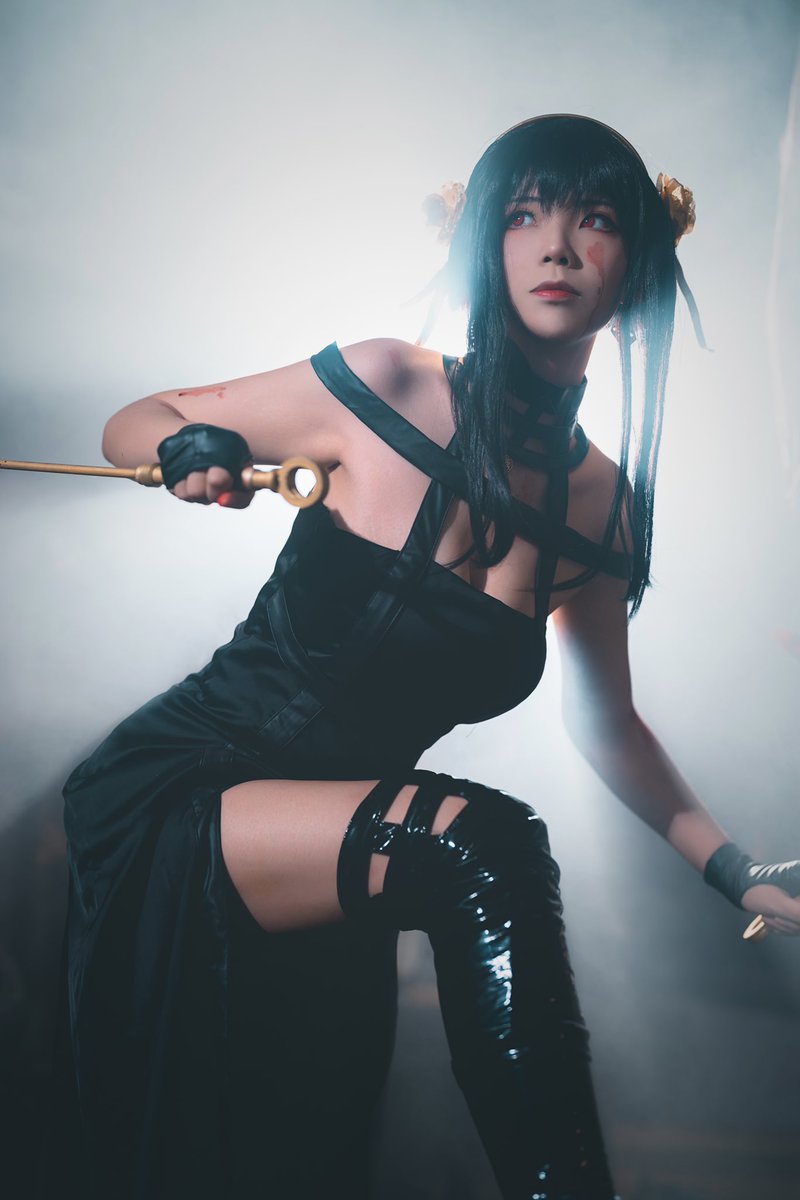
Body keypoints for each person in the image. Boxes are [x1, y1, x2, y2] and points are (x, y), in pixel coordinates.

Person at [49, 115, 800, 1200]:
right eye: (522, 215)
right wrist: (182, 448)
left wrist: (731, 867)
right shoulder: (385, 383)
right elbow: (136, 418)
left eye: (593, 219)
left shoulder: (602, 507)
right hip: (189, 796)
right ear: (484, 244)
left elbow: (605, 721)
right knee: (485, 845)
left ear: (636, 259)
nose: (555, 245)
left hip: (348, 860)